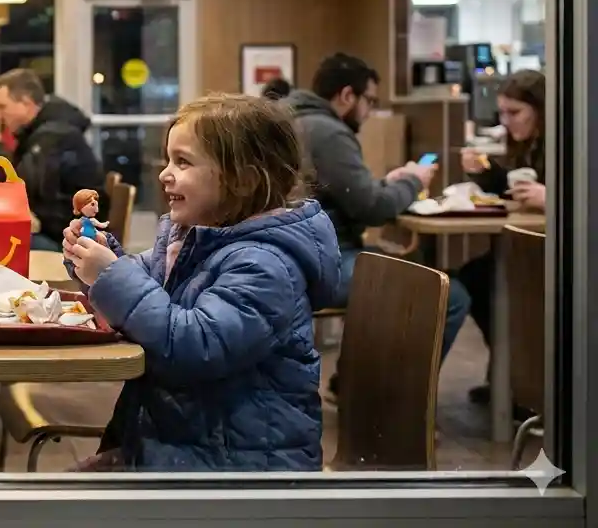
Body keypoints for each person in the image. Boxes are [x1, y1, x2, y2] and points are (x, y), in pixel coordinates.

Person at [63, 94, 339, 472]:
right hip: (185, 444)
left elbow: (195, 345)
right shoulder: (196, 239)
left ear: (242, 181)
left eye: (183, 161)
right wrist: (96, 256)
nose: (164, 173)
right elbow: (143, 285)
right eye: (168, 160)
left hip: (239, 467)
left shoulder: (266, 265)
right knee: (56, 497)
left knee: (57, 504)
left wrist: (111, 275)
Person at [284, 54, 467, 369]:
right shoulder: (328, 131)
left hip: (295, 255)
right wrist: (413, 180)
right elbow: (373, 208)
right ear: (346, 96)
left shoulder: (291, 120)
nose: (369, 111)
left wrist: (384, 183)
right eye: (369, 100)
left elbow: (346, 193)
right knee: (446, 295)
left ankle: (355, 381)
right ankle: (396, 399)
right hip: (322, 261)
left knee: (412, 266)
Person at [456, 70, 546, 409]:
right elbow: (511, 189)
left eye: (515, 113)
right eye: (502, 113)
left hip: (554, 252)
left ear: (539, 110)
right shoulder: (525, 145)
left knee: (491, 282)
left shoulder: (566, 142)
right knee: (476, 280)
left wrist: (550, 196)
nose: (506, 122)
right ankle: (512, 376)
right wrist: (484, 173)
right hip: (522, 244)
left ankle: (522, 382)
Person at [0, 68, 103, 251]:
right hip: (59, 231)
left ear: (26, 103)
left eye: (2, 107)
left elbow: (22, 185)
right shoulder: (39, 132)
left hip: (70, 242)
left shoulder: (55, 133)